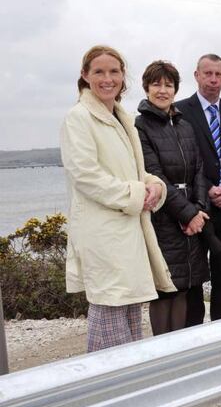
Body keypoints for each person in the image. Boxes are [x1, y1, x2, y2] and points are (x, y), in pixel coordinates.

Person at [60, 45, 175, 352]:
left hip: (128, 232)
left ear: (124, 77)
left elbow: (134, 170)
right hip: (103, 235)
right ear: (85, 76)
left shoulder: (123, 118)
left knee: (130, 317)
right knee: (110, 316)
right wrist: (139, 194)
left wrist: (155, 186)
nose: (107, 78)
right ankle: (106, 391)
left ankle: (130, 390)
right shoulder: (79, 117)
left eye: (114, 71)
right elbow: (86, 176)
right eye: (99, 71)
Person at [135, 61, 211, 335]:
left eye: (168, 85)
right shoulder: (140, 128)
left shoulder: (184, 126)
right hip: (163, 218)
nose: (162, 90)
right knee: (165, 289)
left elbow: (200, 170)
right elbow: (153, 173)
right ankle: (160, 353)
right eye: (156, 84)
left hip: (191, 216)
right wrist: (187, 214)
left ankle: (178, 349)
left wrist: (199, 210)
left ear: (176, 89)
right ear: (146, 88)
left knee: (185, 287)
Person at [175, 54, 221, 323]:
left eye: (218, 74)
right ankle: (194, 336)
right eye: (207, 73)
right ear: (196, 75)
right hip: (195, 211)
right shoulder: (179, 113)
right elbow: (179, 161)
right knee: (193, 281)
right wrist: (205, 190)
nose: (213, 79)